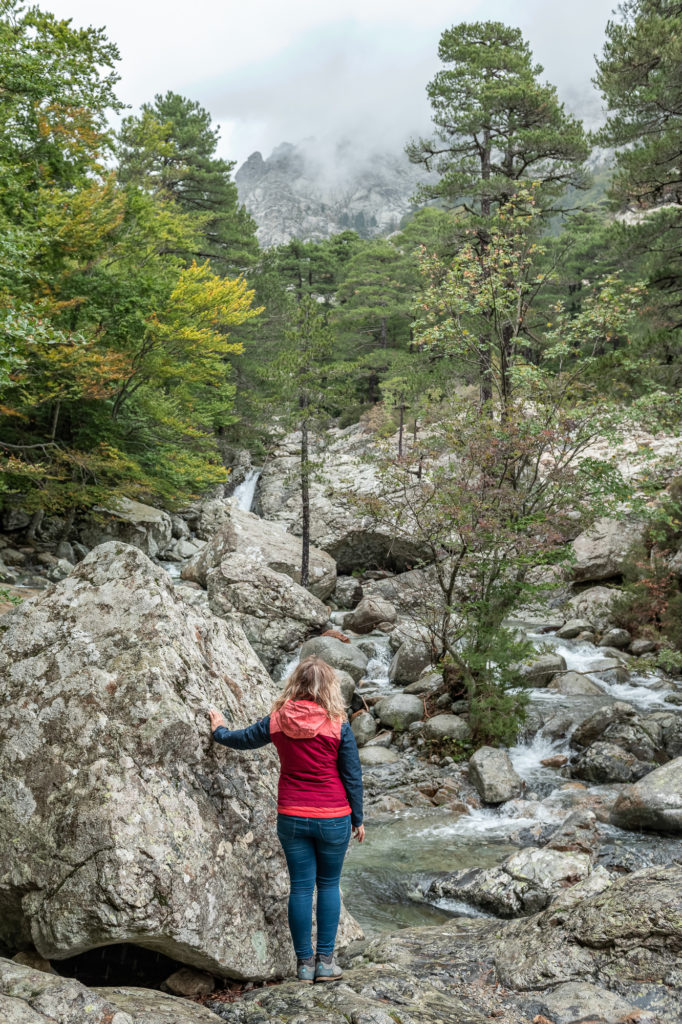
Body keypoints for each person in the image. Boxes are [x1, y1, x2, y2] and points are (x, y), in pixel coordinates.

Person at [208, 655, 364, 984]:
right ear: (329, 688)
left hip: (292, 816)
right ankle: (325, 963)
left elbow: (240, 739)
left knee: (301, 888)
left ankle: (304, 965)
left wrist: (218, 728)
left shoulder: (278, 721)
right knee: (329, 886)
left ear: (295, 684)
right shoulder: (339, 725)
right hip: (333, 816)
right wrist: (358, 819)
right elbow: (352, 777)